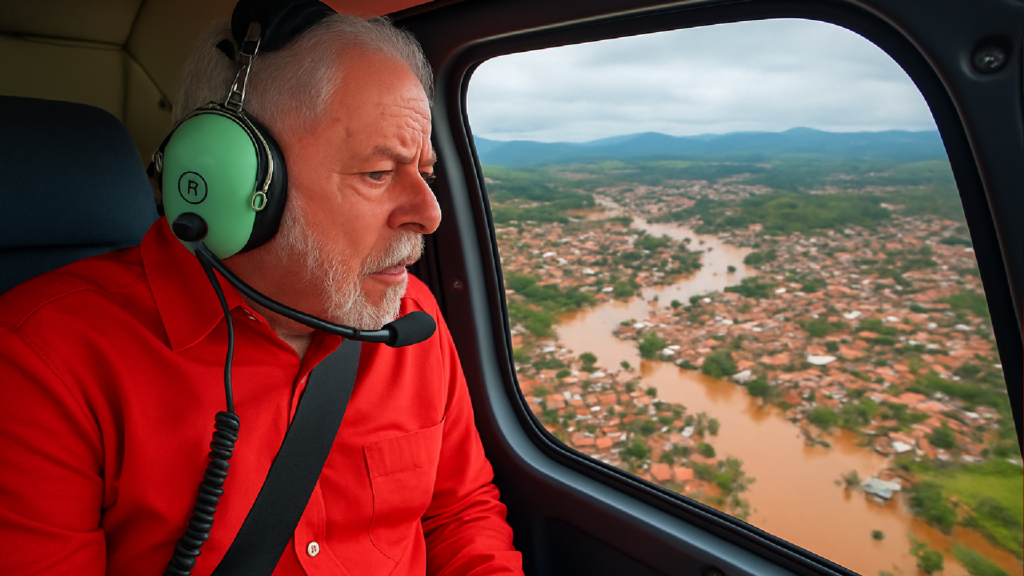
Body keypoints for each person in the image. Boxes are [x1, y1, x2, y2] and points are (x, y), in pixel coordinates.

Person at [0, 7, 524, 576]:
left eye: (425, 172)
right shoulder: (41, 365)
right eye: (377, 173)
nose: (430, 213)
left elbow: (460, 514)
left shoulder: (411, 320)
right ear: (232, 185)